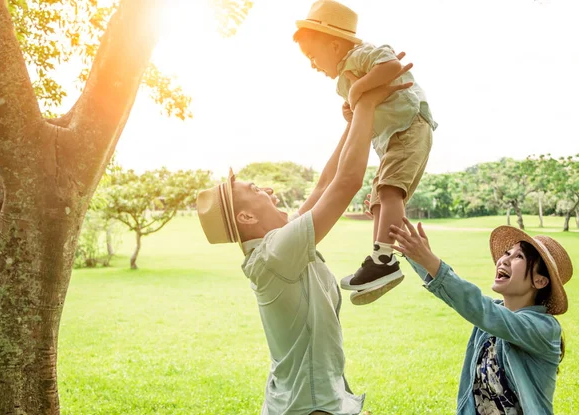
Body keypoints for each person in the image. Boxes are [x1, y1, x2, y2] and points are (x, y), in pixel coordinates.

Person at [196, 66, 413, 414]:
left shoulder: (278, 245)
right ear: (246, 217)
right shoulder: (277, 254)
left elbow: (325, 183)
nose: (267, 189)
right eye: (255, 189)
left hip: (308, 402)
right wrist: (368, 103)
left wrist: (354, 120)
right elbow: (346, 184)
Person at [293, 0, 438, 305]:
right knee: (377, 200)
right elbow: (362, 109)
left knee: (389, 191)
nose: (312, 64)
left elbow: (392, 67)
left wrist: (359, 92)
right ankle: (378, 258)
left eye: (312, 56)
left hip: (410, 126)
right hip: (391, 139)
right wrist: (353, 107)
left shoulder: (363, 54)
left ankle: (384, 259)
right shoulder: (343, 81)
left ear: (334, 45)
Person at [389, 216, 572, 414]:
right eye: (507, 253)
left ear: (540, 281)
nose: (505, 260)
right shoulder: (490, 318)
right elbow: (456, 297)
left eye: (519, 257)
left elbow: (479, 307)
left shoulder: (544, 328)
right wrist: (413, 252)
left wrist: (428, 259)